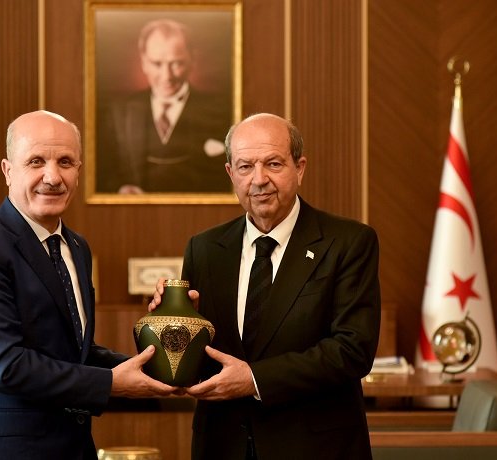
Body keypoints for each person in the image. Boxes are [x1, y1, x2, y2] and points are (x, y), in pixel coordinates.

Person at [0, 110, 175, 459]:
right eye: (36, 161)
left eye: (65, 162)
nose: (52, 177)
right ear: (8, 171)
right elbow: (4, 366)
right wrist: (112, 383)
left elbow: (72, 353)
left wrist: (155, 367)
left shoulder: (77, 247)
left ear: (78, 171)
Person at [149, 113, 381, 459]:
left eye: (273, 164)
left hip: (314, 448)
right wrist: (173, 325)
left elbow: (353, 350)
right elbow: (200, 360)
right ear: (231, 173)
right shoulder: (204, 248)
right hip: (222, 446)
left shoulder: (348, 242)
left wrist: (254, 379)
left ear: (299, 168)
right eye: (245, 167)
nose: (259, 180)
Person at [96, 18, 232, 194]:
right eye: (157, 64)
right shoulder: (119, 112)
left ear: (192, 60)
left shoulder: (222, 112)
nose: (166, 76)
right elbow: (102, 173)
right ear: (144, 62)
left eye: (177, 63)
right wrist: (120, 189)